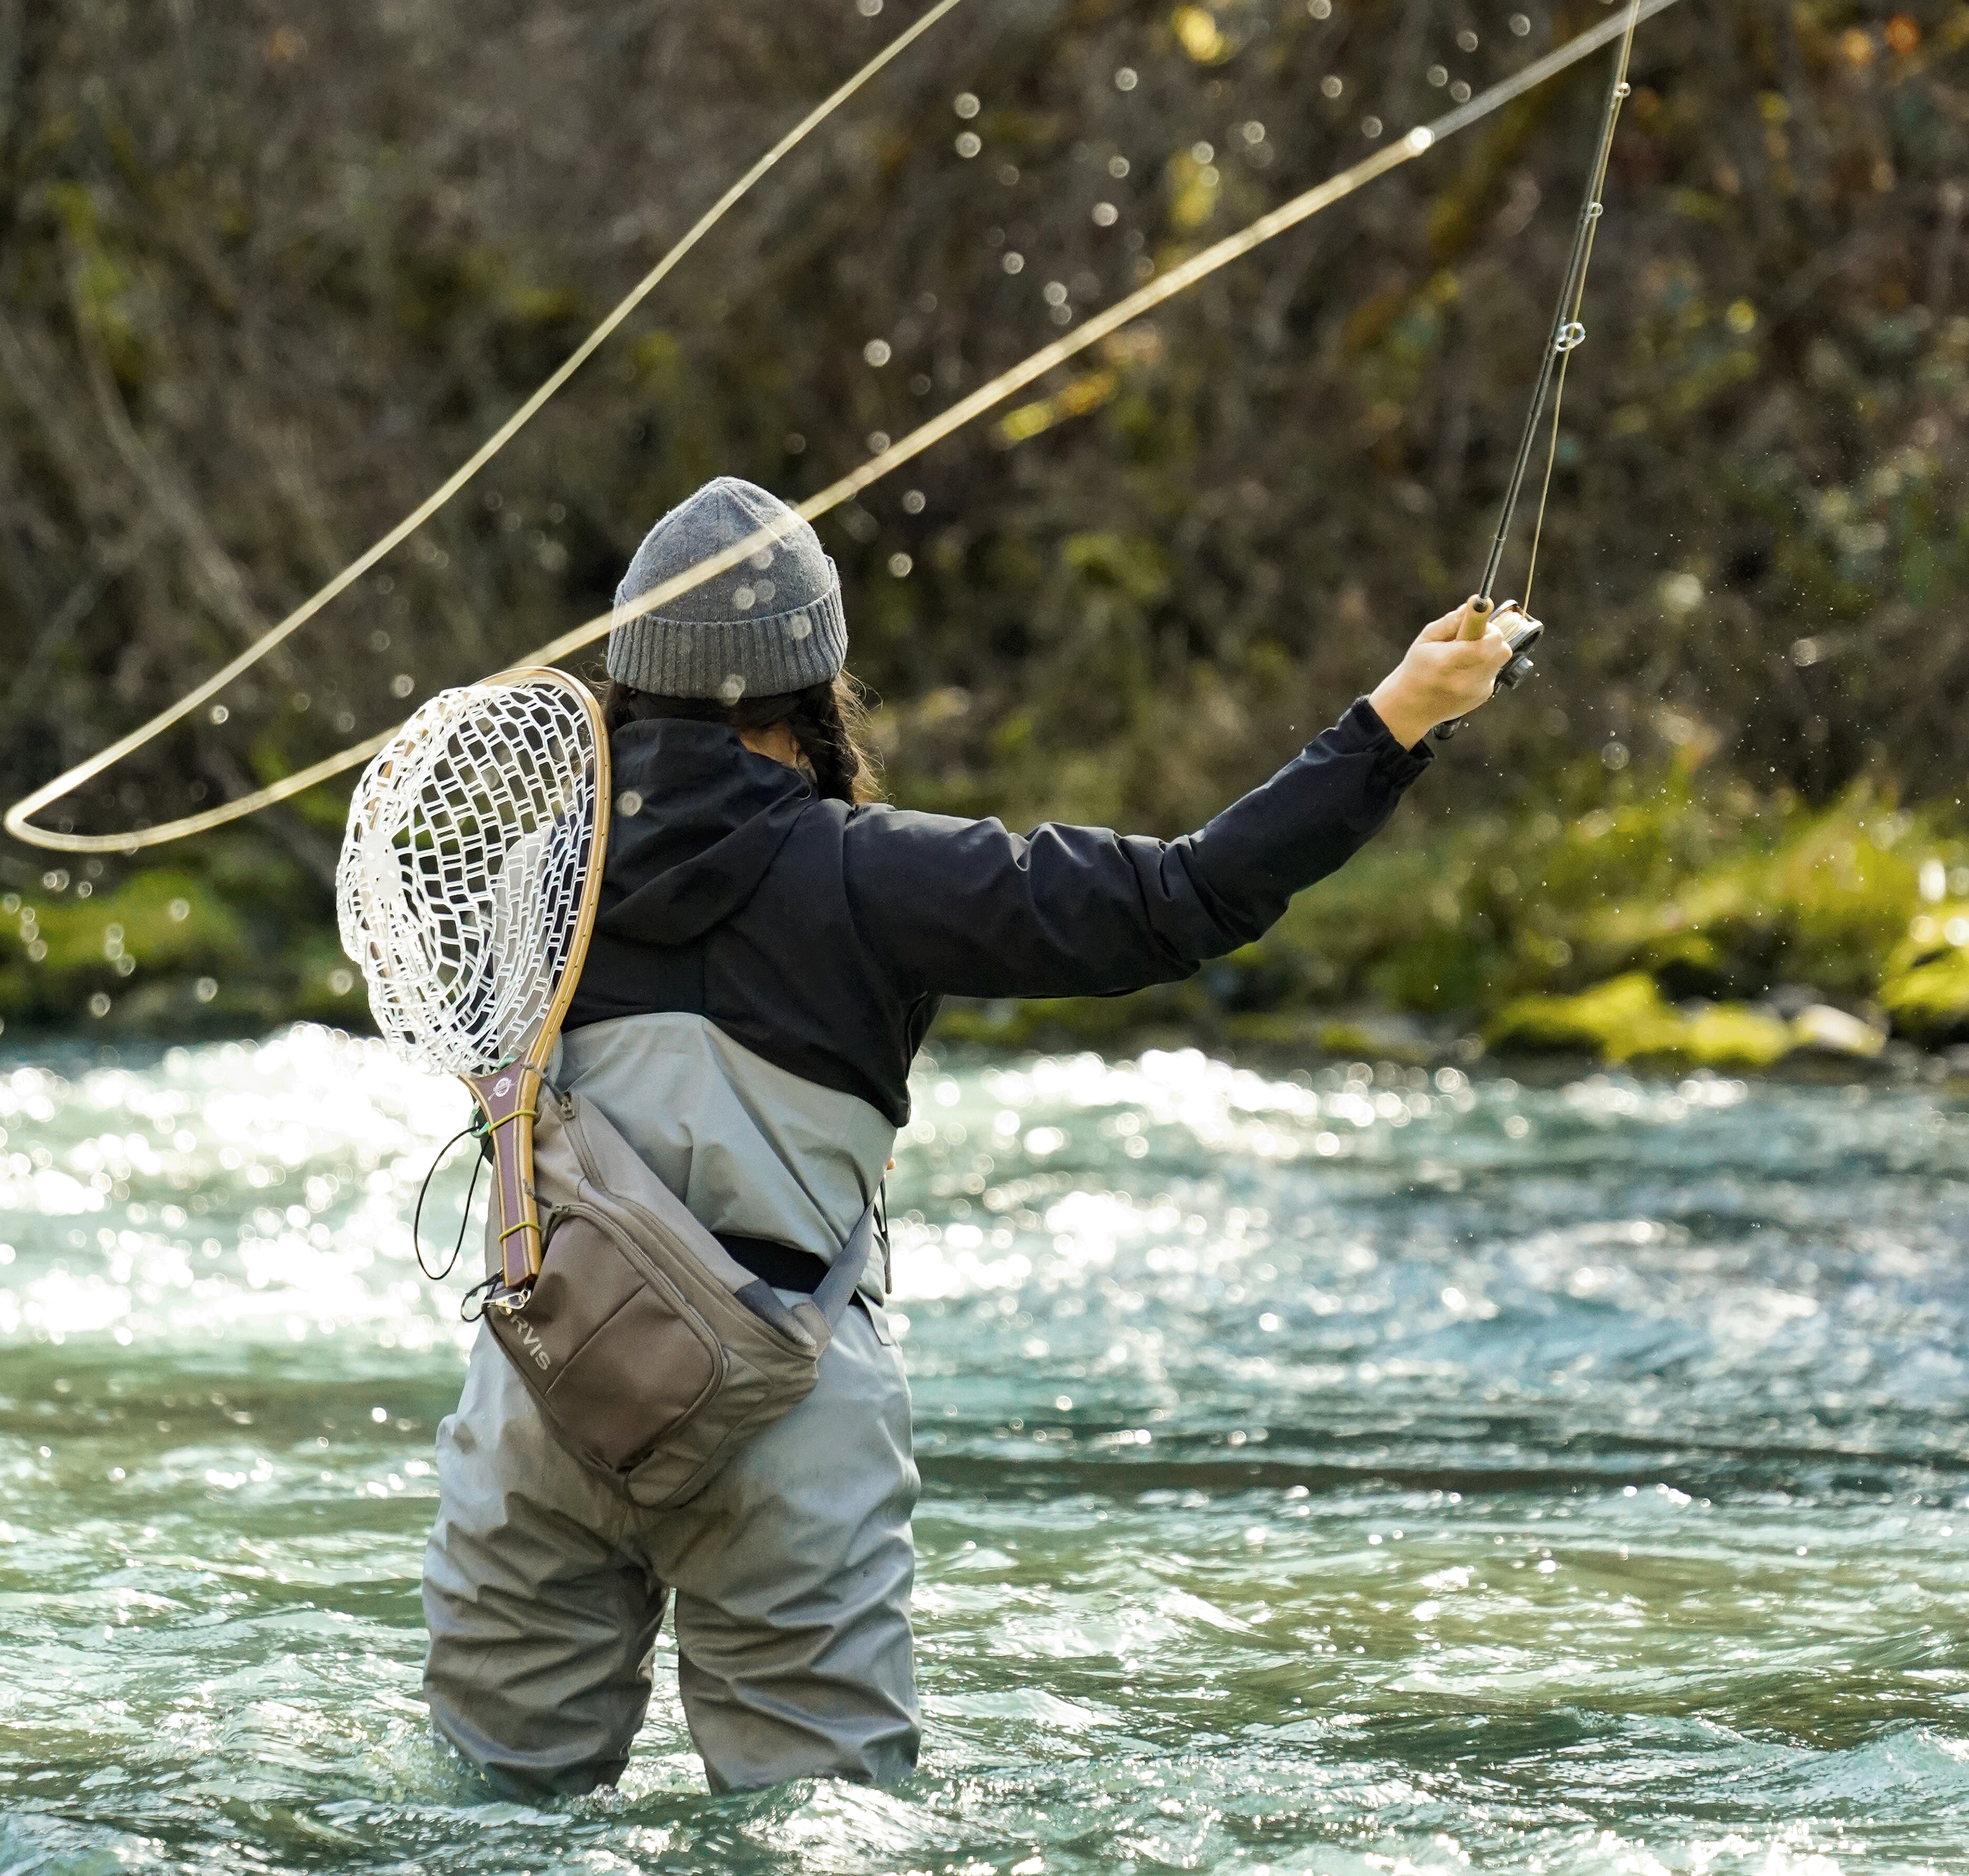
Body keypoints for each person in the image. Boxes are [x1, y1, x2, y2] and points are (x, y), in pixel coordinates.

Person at [423, 476, 1518, 1799]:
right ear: (820, 688)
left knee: (490, 1829)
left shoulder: (527, 881)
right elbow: (1181, 900)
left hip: (542, 1386)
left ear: (623, 680)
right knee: (814, 1856)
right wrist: (1395, 721)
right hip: (781, 1404)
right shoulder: (878, 873)